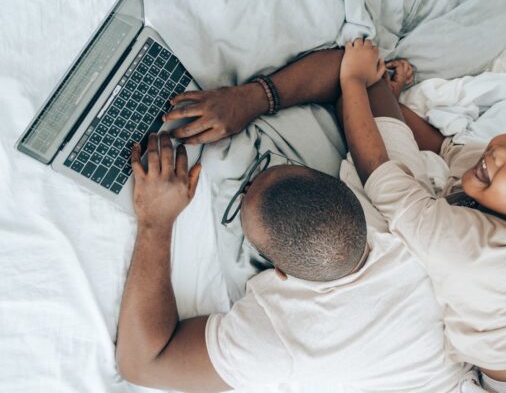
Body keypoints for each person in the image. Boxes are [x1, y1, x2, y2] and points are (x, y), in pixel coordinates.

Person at [160, 43, 506, 391]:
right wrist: (386, 93)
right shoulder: (490, 181)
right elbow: (442, 147)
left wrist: (355, 81)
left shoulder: (464, 249)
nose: (500, 150)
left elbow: (385, 180)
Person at [116, 132, 467, 392]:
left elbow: (142, 363)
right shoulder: (414, 226)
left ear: (277, 271)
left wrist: (155, 222)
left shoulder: (279, 335)